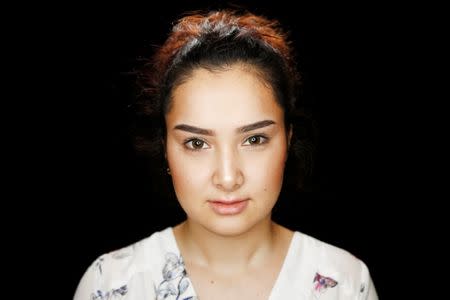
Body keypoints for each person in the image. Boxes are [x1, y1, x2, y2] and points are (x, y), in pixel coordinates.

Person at [74, 9, 378, 300]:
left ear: (288, 139)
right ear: (165, 147)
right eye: (196, 143)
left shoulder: (345, 283)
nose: (228, 177)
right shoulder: (111, 285)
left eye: (255, 139)